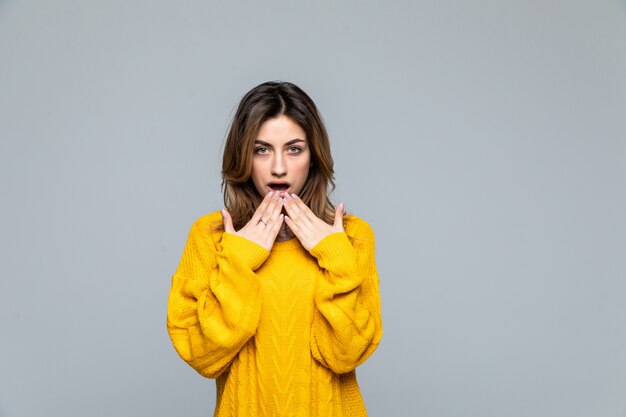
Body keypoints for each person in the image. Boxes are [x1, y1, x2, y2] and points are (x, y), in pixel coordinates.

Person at [166, 81, 382, 416]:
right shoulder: (211, 237)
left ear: (314, 157)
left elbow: (345, 355)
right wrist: (238, 259)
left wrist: (334, 256)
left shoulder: (351, 238)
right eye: (261, 149)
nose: (278, 167)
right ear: (243, 156)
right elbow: (202, 356)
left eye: (294, 149)